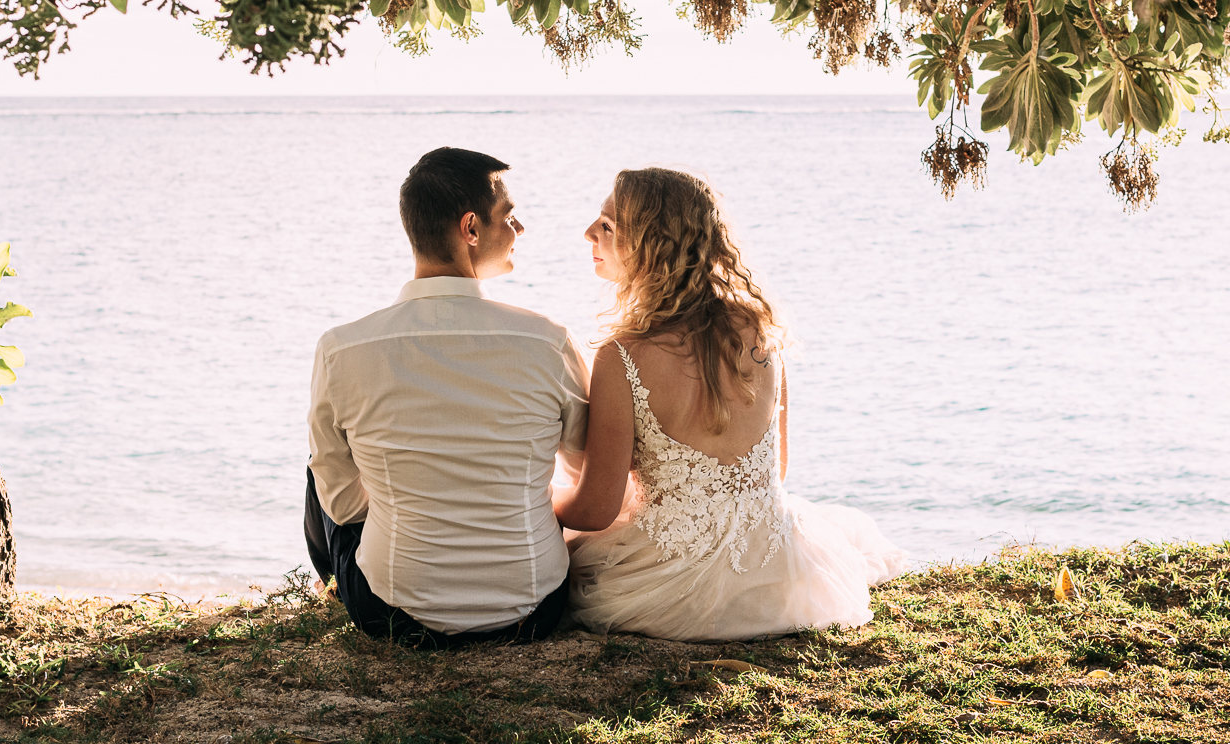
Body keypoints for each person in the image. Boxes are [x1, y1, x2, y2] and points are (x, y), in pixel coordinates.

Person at [556, 167, 908, 640]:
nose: (588, 233)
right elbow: (776, 470)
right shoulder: (763, 334)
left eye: (608, 226)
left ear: (651, 244)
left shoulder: (622, 356)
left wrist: (536, 503)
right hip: (782, 574)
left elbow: (595, 510)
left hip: (664, 589)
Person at [304, 147, 590, 648]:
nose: (519, 229)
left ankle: (333, 587)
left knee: (322, 467)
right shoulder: (547, 342)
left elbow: (344, 505)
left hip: (391, 612)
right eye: (510, 216)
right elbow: (581, 463)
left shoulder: (342, 349)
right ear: (471, 228)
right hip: (532, 609)